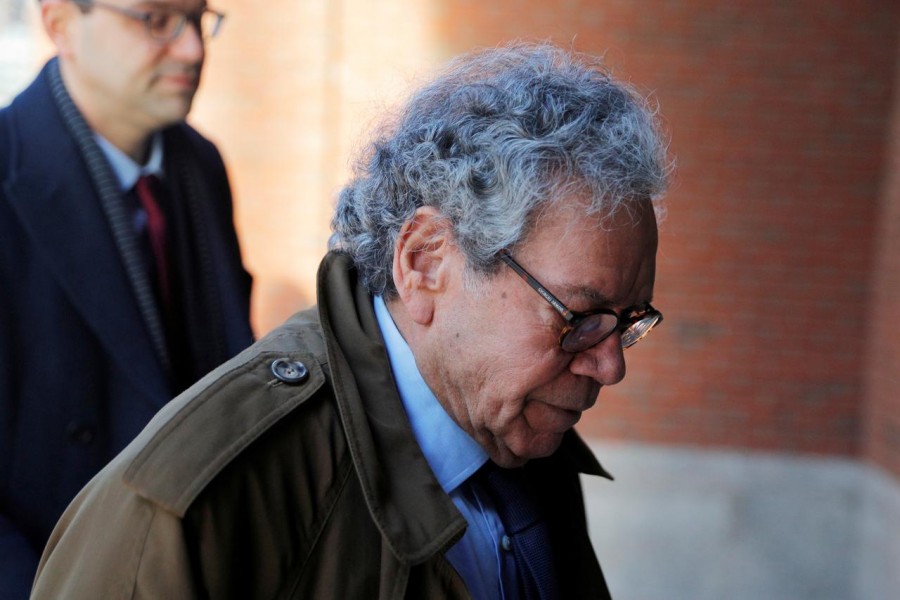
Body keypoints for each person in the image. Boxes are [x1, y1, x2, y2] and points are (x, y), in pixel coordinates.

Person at [30, 41, 669, 599]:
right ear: (424, 263)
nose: (610, 365)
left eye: (628, 318)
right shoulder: (195, 504)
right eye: (580, 316)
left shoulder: (520, 433)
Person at [0, 1, 253, 596]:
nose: (192, 49)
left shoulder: (201, 165)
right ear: (60, 24)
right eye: (156, 19)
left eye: (197, 18)